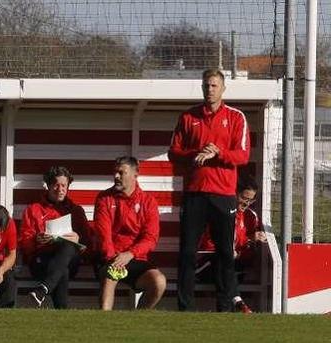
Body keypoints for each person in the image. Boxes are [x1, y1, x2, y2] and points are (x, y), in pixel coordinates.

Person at [169, 68, 251, 312]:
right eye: (206, 85)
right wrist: (196, 153)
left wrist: (219, 152)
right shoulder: (188, 117)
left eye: (214, 85)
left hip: (224, 195)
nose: (210, 89)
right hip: (195, 193)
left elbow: (243, 155)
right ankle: (185, 306)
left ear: (223, 88)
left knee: (225, 251)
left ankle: (224, 305)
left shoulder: (236, 117)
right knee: (187, 251)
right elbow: (173, 152)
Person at [93, 156, 166, 310]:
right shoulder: (104, 198)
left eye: (121, 173)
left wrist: (130, 254)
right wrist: (115, 259)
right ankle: (102, 325)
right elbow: (103, 235)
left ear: (135, 175)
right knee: (110, 276)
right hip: (110, 257)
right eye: (115, 172)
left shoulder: (148, 202)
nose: (116, 176)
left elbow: (150, 238)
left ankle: (138, 320)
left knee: (159, 282)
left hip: (135, 258)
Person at [18, 166, 91, 309]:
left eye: (64, 185)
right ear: (48, 185)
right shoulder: (33, 209)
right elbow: (23, 243)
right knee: (61, 269)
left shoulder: (76, 211)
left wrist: (78, 239)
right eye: (56, 185)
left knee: (68, 247)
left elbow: (89, 244)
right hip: (41, 261)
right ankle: (59, 310)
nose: (60, 189)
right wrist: (36, 240)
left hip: (70, 260)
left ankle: (43, 289)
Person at [195, 176, 267, 313]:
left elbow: (251, 251)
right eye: (244, 198)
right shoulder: (219, 212)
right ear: (235, 193)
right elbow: (209, 244)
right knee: (222, 263)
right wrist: (243, 243)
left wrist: (241, 250)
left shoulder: (251, 217)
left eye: (251, 200)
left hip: (234, 265)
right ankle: (238, 303)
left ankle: (230, 310)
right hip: (207, 263)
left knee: (227, 272)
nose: (247, 203)